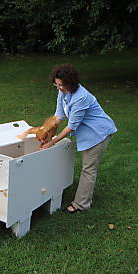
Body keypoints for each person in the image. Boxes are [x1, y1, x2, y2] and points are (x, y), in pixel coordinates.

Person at [41, 63, 117, 214]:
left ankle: (81, 204)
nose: (58, 88)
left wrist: (51, 142)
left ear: (70, 82)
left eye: (61, 85)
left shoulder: (81, 97)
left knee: (88, 169)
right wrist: (48, 132)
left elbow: (71, 126)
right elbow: (59, 115)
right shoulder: (63, 92)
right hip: (87, 132)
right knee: (87, 167)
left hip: (98, 133)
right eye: (56, 85)